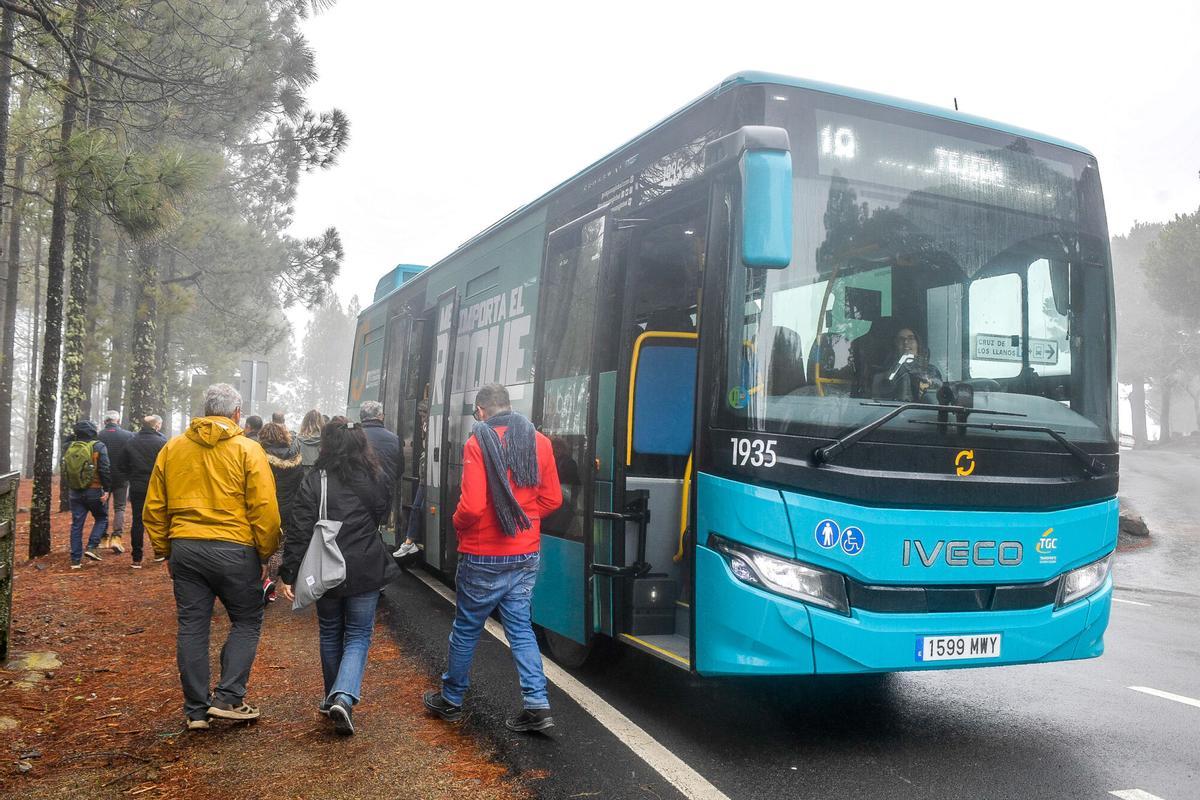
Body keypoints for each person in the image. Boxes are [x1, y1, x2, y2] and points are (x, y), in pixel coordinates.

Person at [423, 384, 562, 733]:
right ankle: (537, 705)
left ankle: (451, 700)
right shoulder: (540, 442)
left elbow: (471, 507)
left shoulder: (478, 442)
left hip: (483, 553)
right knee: (521, 629)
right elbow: (552, 499)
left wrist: (457, 523)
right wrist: (523, 519)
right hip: (525, 551)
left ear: (482, 411)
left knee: (467, 627)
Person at [143, 383, 281, 731]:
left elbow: (154, 507)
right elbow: (264, 507)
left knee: (192, 626)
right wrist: (265, 552)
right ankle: (228, 697)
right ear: (237, 413)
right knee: (247, 621)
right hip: (235, 549)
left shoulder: (173, 448)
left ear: (206, 411)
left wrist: (166, 550)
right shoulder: (248, 450)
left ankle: (196, 711)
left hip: (186, 548)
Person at [280, 418, 399, 736]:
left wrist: (289, 572)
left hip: (326, 567)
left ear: (327, 444)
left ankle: (331, 696)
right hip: (365, 566)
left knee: (331, 631)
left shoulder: (315, 479)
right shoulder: (376, 476)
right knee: (358, 635)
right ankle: (343, 698)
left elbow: (300, 527)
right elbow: (380, 515)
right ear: (362, 444)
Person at [259, 421, 303, 602]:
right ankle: (271, 583)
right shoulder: (296, 457)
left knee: (263, 545)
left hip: (266, 507)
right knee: (280, 548)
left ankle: (261, 581)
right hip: (288, 508)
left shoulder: (260, 456)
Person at [117, 414, 167, 568]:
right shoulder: (162, 442)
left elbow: (121, 464)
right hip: (157, 487)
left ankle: (136, 558)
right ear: (156, 426)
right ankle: (160, 551)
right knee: (159, 519)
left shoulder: (131, 441)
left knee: (137, 521)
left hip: (137, 486)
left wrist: (131, 476)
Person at [62, 420, 112, 569]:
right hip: (94, 490)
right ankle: (91, 546)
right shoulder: (98, 446)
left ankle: (75, 560)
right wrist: (107, 489)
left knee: (77, 525)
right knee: (102, 518)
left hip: (75, 491)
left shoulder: (69, 446)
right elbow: (104, 469)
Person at [393, 396, 429, 559]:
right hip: (424, 475)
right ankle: (410, 541)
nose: (422, 418)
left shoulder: (429, 427)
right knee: (417, 508)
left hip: (427, 475)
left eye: (423, 414)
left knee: (417, 508)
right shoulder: (425, 426)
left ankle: (409, 542)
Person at [872, 327, 944, 402]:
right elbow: (878, 403)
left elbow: (938, 397)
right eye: (901, 339)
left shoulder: (931, 371)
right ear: (895, 346)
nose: (906, 342)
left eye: (911, 338)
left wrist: (925, 381)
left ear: (918, 344)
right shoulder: (882, 377)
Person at [97, 411, 134, 554]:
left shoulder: (98, 436)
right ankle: (116, 538)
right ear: (118, 421)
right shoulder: (128, 435)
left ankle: (103, 538)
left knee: (103, 507)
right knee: (120, 508)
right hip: (122, 477)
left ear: (105, 421)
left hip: (102, 478)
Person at [359, 400, 402, 485]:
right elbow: (400, 469)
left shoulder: (351, 436)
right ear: (381, 416)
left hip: (356, 489)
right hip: (385, 488)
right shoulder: (395, 439)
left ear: (360, 417)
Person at [297, 409, 323, 473]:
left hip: (301, 472)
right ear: (321, 421)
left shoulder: (298, 439)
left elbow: (292, 456)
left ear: (305, 422)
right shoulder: (326, 440)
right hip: (319, 472)